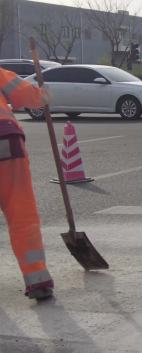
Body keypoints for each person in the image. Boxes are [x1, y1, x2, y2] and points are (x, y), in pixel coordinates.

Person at [0, 67, 54, 299]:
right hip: (5, 139)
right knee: (21, 212)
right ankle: (38, 280)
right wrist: (42, 94)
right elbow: (29, 97)